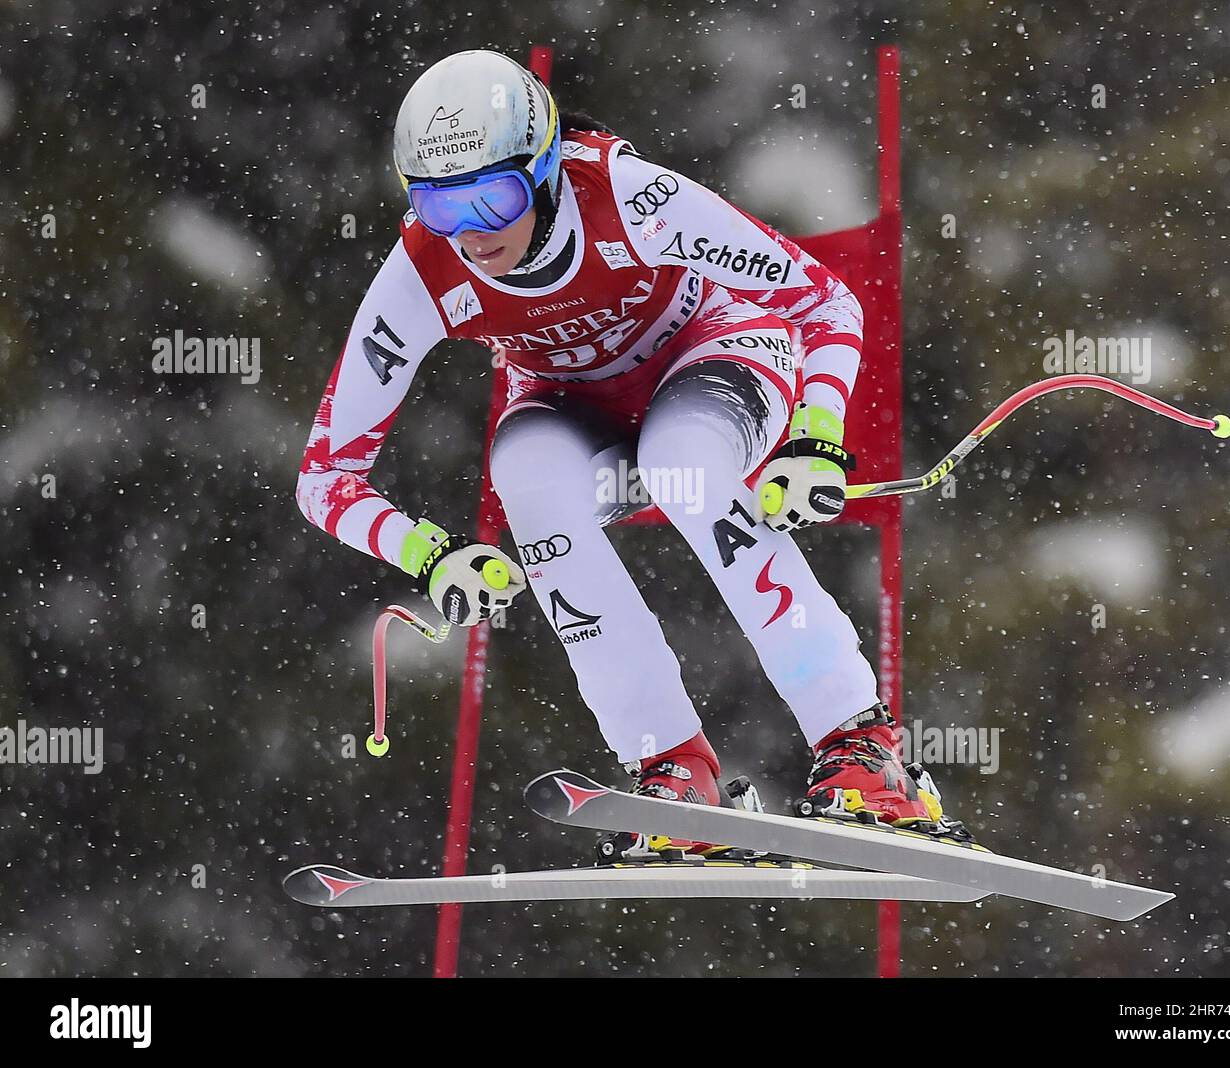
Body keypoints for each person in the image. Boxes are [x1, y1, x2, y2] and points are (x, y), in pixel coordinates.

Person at [297, 49, 970, 857]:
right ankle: (673, 769)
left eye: (494, 197)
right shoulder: (421, 270)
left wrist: (816, 439)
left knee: (681, 460)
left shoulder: (629, 196)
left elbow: (823, 299)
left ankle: (862, 747)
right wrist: (432, 554)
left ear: (543, 171)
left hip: (714, 356)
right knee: (526, 477)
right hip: (578, 408)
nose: (472, 233)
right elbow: (324, 477)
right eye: (441, 207)